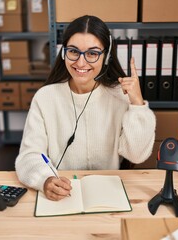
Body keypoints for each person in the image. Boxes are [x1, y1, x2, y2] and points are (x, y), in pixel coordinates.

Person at [15, 15, 156, 201]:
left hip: (108, 193)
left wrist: (137, 105)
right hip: (63, 194)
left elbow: (136, 155)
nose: (81, 63)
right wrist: (45, 180)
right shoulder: (45, 98)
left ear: (106, 57)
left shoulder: (120, 96)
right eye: (74, 51)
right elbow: (29, 156)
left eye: (92, 53)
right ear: (64, 52)